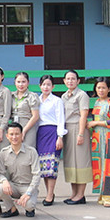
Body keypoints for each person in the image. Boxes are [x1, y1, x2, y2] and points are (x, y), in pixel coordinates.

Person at [89, 77, 110, 207]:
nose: (101, 90)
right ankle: (103, 194)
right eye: (98, 87)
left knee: (109, 167)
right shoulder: (96, 102)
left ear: (109, 89)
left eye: (103, 87)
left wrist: (96, 123)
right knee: (100, 166)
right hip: (97, 138)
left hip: (109, 137)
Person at [0, 122, 40, 218]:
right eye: (11, 134)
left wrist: (28, 193)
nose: (14, 137)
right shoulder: (3, 153)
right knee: (0, 188)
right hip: (14, 186)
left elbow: (37, 175)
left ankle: (29, 208)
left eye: (17, 134)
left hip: (28, 187)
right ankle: (12, 209)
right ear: (7, 136)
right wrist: (4, 181)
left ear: (21, 135)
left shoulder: (31, 152)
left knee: (29, 205)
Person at [61, 69, 92, 204]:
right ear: (64, 81)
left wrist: (80, 133)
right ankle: (73, 194)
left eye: (73, 79)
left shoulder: (82, 95)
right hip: (67, 129)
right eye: (68, 79)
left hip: (78, 128)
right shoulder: (64, 96)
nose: (70, 81)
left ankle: (80, 195)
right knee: (70, 162)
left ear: (78, 81)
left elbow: (83, 115)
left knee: (80, 161)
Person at [36, 75, 66, 206]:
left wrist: (60, 136)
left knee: (52, 165)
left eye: (48, 85)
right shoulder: (37, 100)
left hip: (53, 133)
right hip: (40, 133)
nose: (46, 87)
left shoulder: (57, 101)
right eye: (43, 84)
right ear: (40, 86)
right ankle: (49, 192)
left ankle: (50, 194)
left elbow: (61, 119)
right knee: (44, 166)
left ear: (53, 86)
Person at [6, 72, 40, 149]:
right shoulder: (11, 96)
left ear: (28, 83)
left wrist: (23, 131)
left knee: (27, 150)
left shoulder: (32, 96)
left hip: (27, 126)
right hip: (14, 126)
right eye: (18, 82)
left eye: (23, 82)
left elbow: (35, 116)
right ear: (15, 83)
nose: (21, 85)